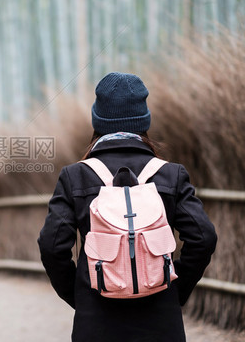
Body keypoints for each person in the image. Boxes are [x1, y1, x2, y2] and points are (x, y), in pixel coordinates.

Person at [38, 72, 218, 342]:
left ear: (97, 119)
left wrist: (81, 295)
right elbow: (204, 238)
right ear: (144, 119)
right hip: (161, 324)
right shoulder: (171, 174)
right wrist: (172, 286)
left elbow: (52, 247)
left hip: (96, 323)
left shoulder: (75, 176)